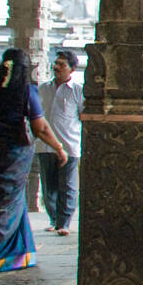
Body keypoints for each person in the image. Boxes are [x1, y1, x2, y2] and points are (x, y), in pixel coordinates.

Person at [0, 50, 67, 272]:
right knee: (11, 202)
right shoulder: (26, 91)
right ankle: (2, 254)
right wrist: (58, 147)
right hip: (14, 157)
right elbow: (40, 127)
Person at [35, 49, 82, 236]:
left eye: (62, 64)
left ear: (71, 69)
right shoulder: (43, 88)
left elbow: (83, 115)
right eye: (56, 63)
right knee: (49, 185)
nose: (56, 67)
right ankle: (54, 220)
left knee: (68, 186)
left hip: (69, 144)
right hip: (45, 145)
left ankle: (64, 222)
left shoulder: (78, 90)